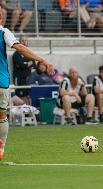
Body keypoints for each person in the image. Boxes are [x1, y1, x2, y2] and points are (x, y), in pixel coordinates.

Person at [0, 10, 49, 161]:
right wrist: (41, 59)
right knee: (1, 115)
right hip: (1, 82)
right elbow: (20, 48)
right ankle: (1, 148)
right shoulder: (3, 32)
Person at [12, 35, 35, 104]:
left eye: (26, 41)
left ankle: (28, 111)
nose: (24, 42)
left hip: (28, 78)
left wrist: (26, 64)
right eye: (22, 41)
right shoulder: (16, 54)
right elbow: (21, 65)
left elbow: (34, 64)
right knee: (20, 96)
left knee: (28, 96)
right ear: (19, 42)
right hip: (19, 79)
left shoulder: (30, 53)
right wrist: (28, 64)